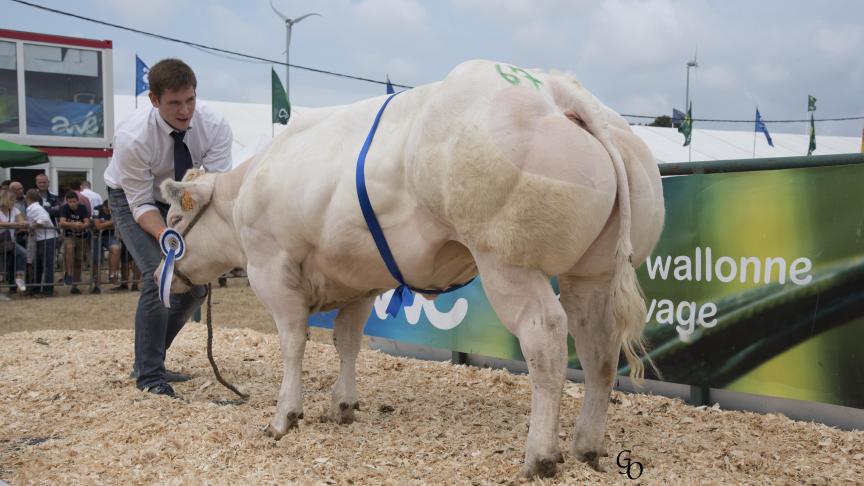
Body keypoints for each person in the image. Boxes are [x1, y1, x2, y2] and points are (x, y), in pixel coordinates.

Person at [104, 58, 233, 397]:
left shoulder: (215, 125)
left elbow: (211, 189)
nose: (185, 110)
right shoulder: (132, 137)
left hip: (182, 196)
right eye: (174, 102)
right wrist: (167, 237)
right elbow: (141, 205)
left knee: (195, 288)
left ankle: (150, 359)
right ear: (154, 100)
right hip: (133, 198)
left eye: (190, 100)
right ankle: (149, 377)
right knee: (159, 276)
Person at [24, 189, 58, 297]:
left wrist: (31, 227)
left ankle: (47, 290)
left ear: (27, 198)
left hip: (46, 238)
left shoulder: (34, 208)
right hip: (42, 238)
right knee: (38, 265)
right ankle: (36, 288)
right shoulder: (36, 207)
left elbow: (42, 220)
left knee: (46, 265)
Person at [58, 191, 90, 295]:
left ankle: (75, 285)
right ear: (67, 202)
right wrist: (74, 224)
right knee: (69, 248)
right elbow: (62, 222)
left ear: (77, 201)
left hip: (81, 237)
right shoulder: (64, 208)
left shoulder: (82, 208)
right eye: (70, 202)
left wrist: (82, 225)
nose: (72, 204)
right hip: (69, 235)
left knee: (78, 261)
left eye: (74, 201)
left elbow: (87, 222)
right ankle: (69, 273)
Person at [0, 189, 28, 293]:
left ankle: (19, 277)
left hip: (10, 242)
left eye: (14, 200)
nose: (14, 202)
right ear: (5, 199)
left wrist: (18, 224)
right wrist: (16, 224)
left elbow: (23, 223)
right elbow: (1, 224)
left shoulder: (14, 210)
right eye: (12, 200)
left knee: (22, 253)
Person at [91, 200, 122, 294]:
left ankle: (112, 274)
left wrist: (103, 223)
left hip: (110, 236)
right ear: (103, 207)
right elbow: (97, 226)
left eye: (110, 211)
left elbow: (117, 225)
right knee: (96, 260)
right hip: (96, 236)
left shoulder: (115, 210)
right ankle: (96, 284)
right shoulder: (97, 209)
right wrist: (111, 222)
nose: (108, 212)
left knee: (116, 248)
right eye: (107, 210)